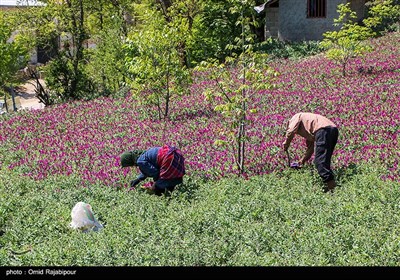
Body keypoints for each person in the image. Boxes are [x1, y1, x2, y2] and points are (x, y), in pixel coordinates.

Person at [282, 112, 339, 192]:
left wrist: (286, 144)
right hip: (333, 130)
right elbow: (310, 149)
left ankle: (333, 189)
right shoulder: (308, 128)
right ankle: (330, 187)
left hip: (323, 130)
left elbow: (291, 131)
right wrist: (302, 161)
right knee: (325, 162)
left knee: (320, 162)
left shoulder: (295, 117)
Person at [120, 145, 185, 196]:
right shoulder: (145, 155)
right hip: (177, 155)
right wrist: (138, 179)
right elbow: (148, 169)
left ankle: (164, 199)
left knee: (159, 188)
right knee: (171, 180)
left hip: (168, 158)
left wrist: (155, 186)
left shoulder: (140, 161)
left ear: (130, 162)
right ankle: (169, 195)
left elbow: (155, 172)